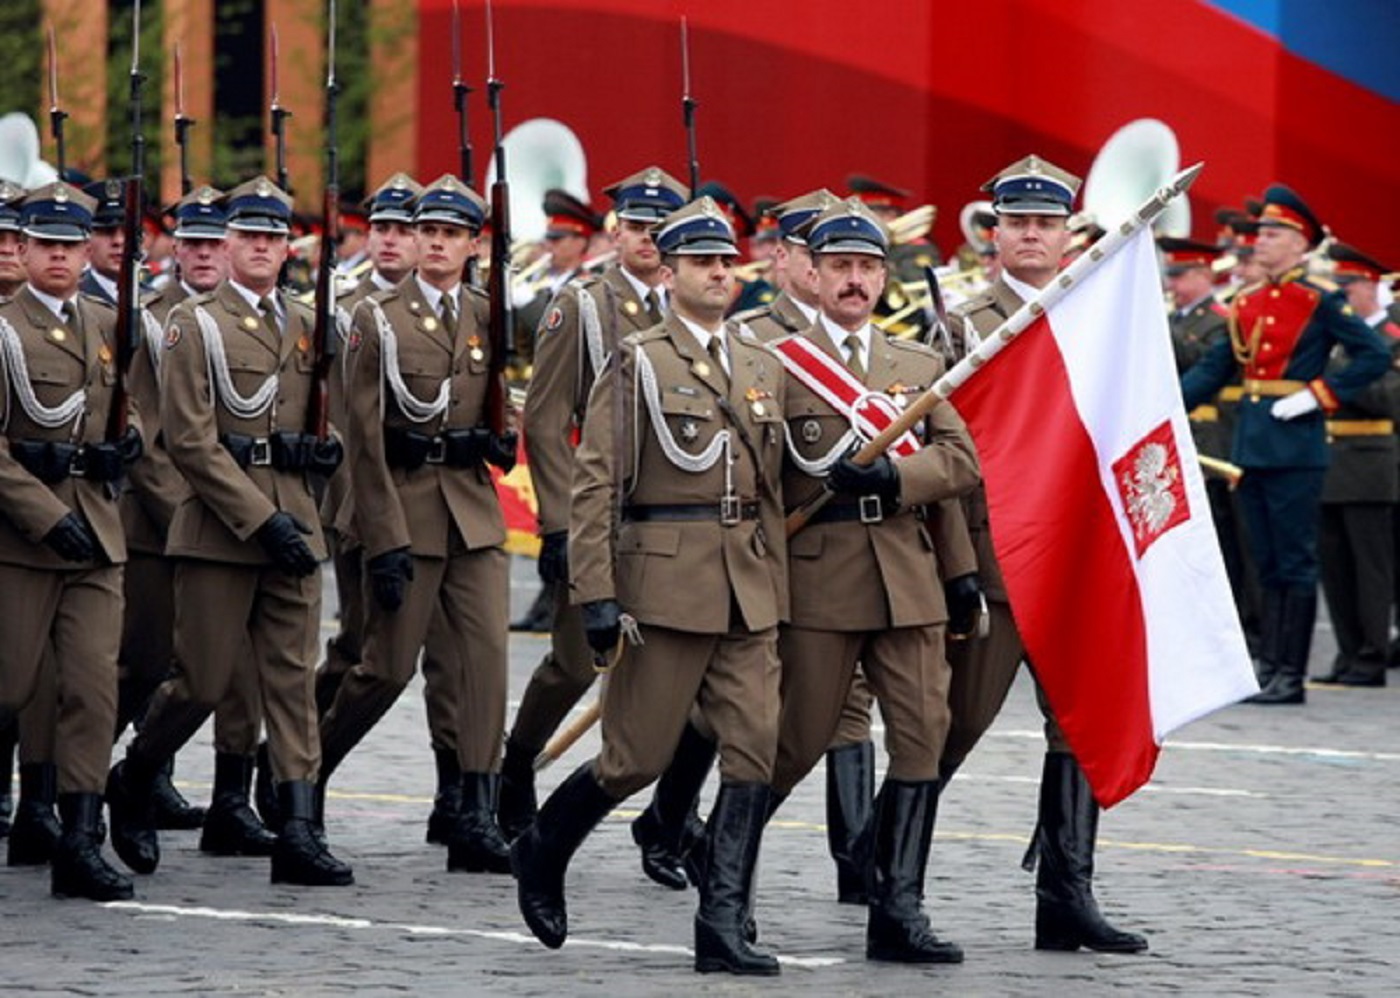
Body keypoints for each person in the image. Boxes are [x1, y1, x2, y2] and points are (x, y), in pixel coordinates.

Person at [512, 197, 789, 976]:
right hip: (666, 582)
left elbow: (769, 487)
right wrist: (594, 593)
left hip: (747, 586)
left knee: (753, 751)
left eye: (727, 262)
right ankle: (543, 846)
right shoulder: (637, 360)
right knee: (634, 757)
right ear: (668, 273)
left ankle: (722, 924)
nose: (719, 274)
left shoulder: (760, 362)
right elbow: (597, 481)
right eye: (702, 262)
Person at [106, 176, 354, 887]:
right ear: (230, 242)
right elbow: (188, 439)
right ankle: (137, 774)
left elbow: (313, 415)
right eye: (249, 237)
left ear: (287, 249)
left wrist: (323, 451)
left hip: (294, 522)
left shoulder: (307, 321)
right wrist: (260, 517)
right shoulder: (195, 323)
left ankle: (301, 829)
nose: (262, 249)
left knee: (291, 683)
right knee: (203, 682)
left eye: (275, 239)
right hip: (220, 526)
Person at [941, 155, 1149, 953]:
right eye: (1018, 221)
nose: (1032, 234)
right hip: (994, 565)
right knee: (951, 728)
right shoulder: (960, 323)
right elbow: (947, 456)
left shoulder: (1101, 318)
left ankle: (1066, 898)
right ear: (994, 233)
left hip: (1075, 565)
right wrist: (956, 567)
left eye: (1046, 222)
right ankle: (893, 885)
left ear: (1070, 234)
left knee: (1078, 730)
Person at [764, 197, 979, 964]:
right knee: (795, 742)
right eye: (840, 268)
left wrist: (895, 476)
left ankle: (899, 911)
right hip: (819, 581)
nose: (855, 282)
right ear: (812, 275)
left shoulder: (915, 365)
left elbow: (959, 463)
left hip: (907, 583)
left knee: (924, 739)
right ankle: (725, 877)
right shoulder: (772, 361)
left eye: (867, 268)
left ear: (885, 277)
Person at [503, 167, 719, 895]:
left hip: (670, 526)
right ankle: (514, 766)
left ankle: (667, 817)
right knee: (572, 664)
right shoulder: (584, 307)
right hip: (598, 517)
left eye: (663, 230)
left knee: (693, 687)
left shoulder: (695, 308)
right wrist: (561, 523)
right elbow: (544, 415)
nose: (650, 241)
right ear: (614, 233)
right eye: (637, 228)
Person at [321, 174, 518, 873]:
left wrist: (503, 436)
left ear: (473, 244)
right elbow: (361, 438)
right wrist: (383, 538)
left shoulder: (487, 313)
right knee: (385, 668)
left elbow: (498, 394)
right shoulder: (376, 318)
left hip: (471, 512)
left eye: (450, 234)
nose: (435, 243)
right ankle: (303, 777)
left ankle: (474, 813)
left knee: (485, 668)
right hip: (402, 509)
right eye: (426, 231)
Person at [732, 187, 884, 905]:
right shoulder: (755, 336)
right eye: (821, 254)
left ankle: (858, 862)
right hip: (775, 550)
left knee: (846, 706)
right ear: (792, 259)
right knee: (741, 711)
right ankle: (675, 826)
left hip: (849, 557)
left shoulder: (872, 338)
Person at [1182, 185, 1389, 705]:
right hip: (1251, 444)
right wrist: (1164, 402)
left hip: (1296, 445)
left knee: (1293, 562)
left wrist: (1319, 395)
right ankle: (1269, 666)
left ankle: (1289, 674)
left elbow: (1372, 356)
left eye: (1273, 235)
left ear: (1301, 243)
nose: (1261, 243)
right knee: (1266, 561)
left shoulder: (1319, 299)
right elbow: (1216, 368)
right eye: (1261, 234)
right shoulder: (1246, 302)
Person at [0, 181, 141, 900]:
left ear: (88, 251)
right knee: (12, 687)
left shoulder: (107, 322)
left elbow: (126, 408)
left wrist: (129, 443)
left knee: (92, 689)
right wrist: (49, 516)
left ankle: (81, 839)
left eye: (69, 245)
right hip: (24, 542)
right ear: (21, 250)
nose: (59, 256)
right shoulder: (2, 331)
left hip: (98, 537)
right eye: (44, 245)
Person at [121, 185, 272, 851]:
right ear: (175, 248)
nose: (207, 254)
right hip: (160, 521)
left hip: (231, 523)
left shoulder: (257, 319)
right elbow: (151, 441)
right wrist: (181, 508)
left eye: (218, 243)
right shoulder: (147, 319)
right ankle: (108, 777)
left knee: (238, 675)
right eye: (197, 243)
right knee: (153, 664)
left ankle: (232, 798)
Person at [1310, 243, 1400, 687]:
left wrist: (1338, 382)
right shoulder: (1339, 339)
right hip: (1330, 464)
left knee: (1370, 568)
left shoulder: (1390, 338)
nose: (1342, 295)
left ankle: (1371, 654)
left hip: (1369, 466)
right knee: (1336, 569)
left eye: (1348, 286)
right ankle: (1347, 654)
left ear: (1368, 286)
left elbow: (1390, 400)